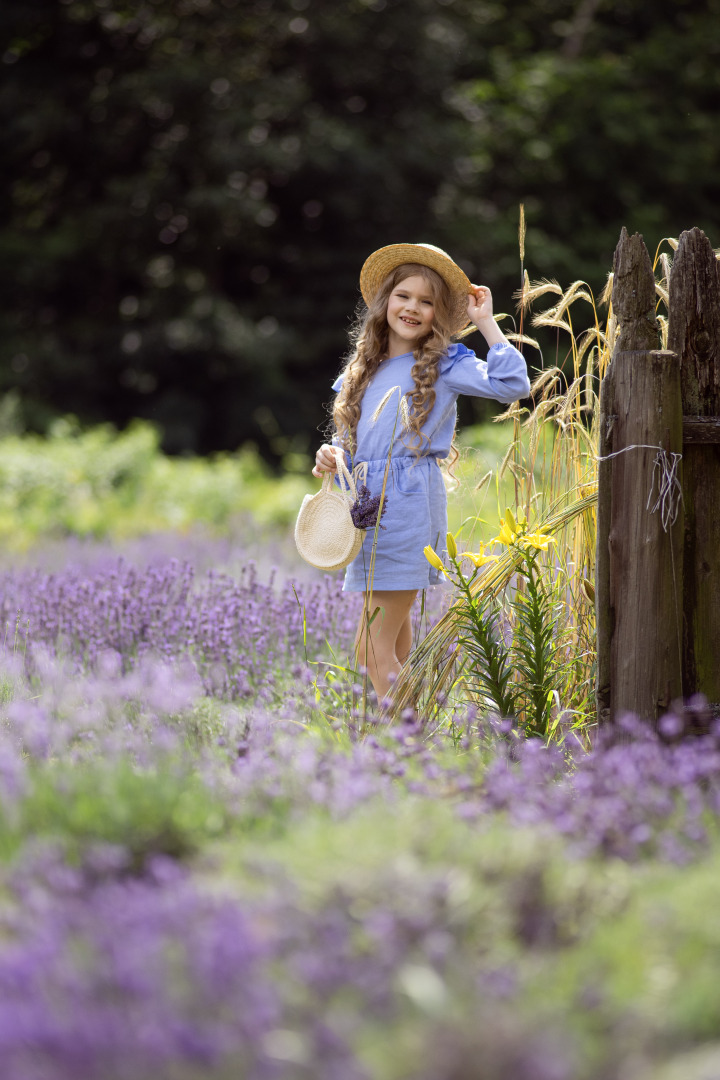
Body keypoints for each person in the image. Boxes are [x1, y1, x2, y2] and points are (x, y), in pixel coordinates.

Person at [312, 243, 531, 701]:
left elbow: (513, 385)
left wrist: (487, 323)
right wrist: (329, 457)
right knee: (393, 645)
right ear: (384, 302)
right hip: (363, 510)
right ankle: (413, 749)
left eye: (426, 302)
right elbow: (347, 441)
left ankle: (402, 746)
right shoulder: (362, 369)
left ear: (439, 315)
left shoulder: (445, 363)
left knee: (370, 649)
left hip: (408, 505)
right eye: (403, 296)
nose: (412, 308)